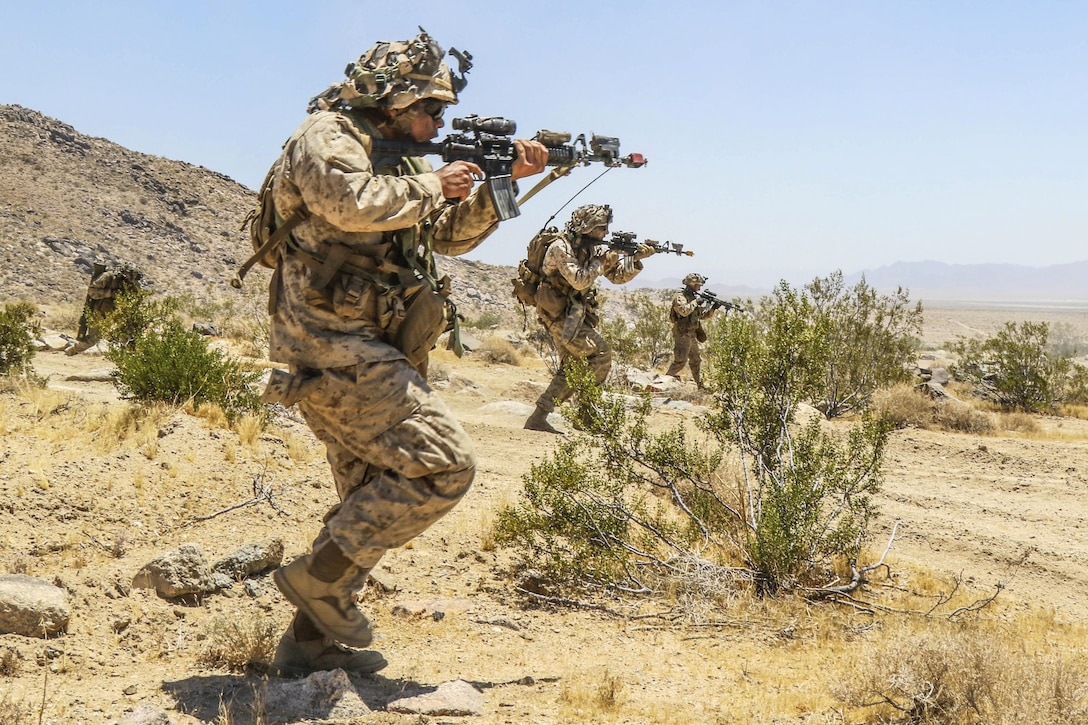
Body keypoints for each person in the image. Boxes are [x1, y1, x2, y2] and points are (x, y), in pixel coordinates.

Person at [256, 29, 548, 677]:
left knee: (373, 495)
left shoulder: (405, 159)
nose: (437, 123)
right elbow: (350, 203)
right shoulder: (326, 137)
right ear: (392, 102)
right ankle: (313, 581)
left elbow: (447, 238)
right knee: (443, 466)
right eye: (430, 111)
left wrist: (503, 184)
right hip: (328, 346)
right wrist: (433, 184)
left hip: (370, 345)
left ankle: (306, 644)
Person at [523, 204, 654, 434]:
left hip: (572, 313)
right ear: (586, 227)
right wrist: (603, 261)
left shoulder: (590, 248)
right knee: (601, 353)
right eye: (601, 228)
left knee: (572, 365)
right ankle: (586, 413)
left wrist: (634, 260)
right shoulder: (560, 247)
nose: (605, 234)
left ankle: (538, 417)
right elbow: (580, 280)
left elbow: (616, 278)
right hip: (556, 313)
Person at [67, 261, 144, 355]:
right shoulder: (108, 277)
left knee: (129, 335)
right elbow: (92, 291)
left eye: (134, 277)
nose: (131, 279)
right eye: (129, 275)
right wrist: (110, 293)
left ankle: (130, 358)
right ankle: (72, 351)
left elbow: (138, 299)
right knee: (92, 340)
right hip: (100, 313)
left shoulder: (135, 285)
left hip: (121, 314)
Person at [665, 273, 716, 389]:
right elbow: (683, 311)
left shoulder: (693, 298)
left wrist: (712, 308)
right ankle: (664, 382)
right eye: (698, 285)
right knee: (680, 361)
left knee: (696, 360)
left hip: (692, 333)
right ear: (691, 284)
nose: (699, 287)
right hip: (682, 334)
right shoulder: (680, 297)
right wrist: (697, 302)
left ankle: (699, 385)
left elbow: (701, 316)